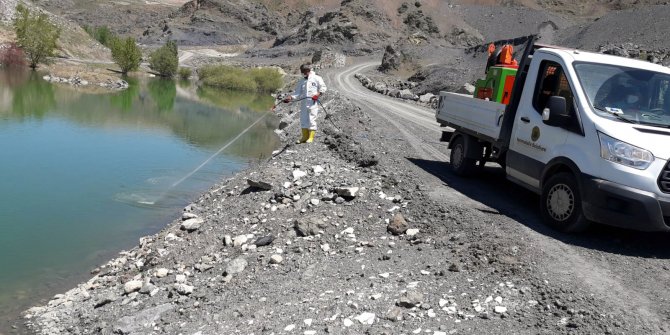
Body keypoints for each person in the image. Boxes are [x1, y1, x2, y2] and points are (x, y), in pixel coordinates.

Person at [283, 63, 327, 143]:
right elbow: (297, 93)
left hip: (313, 103)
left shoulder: (317, 78)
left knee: (312, 118)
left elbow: (323, 87)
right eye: (301, 71)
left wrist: (317, 94)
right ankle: (304, 137)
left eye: (303, 71)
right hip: (304, 103)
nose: (302, 73)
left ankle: (311, 137)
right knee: (303, 119)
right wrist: (290, 98)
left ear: (307, 70)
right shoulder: (302, 81)